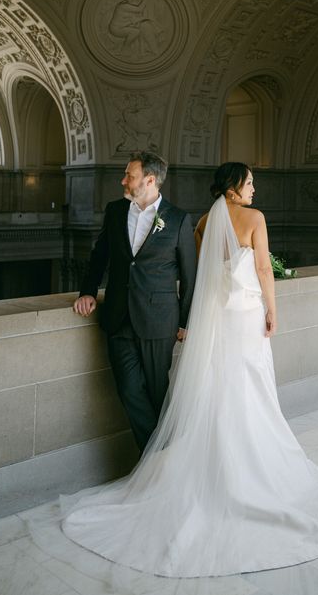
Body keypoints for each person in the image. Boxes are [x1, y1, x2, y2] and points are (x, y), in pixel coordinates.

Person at [62, 162, 318, 578]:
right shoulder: (254, 218)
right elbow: (264, 268)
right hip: (244, 317)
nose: (254, 188)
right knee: (248, 391)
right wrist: (272, 307)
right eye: (250, 182)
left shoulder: (200, 221)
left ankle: (179, 466)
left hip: (215, 320)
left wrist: (190, 316)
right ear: (235, 186)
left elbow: (198, 274)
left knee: (214, 391)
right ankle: (235, 470)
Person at [73, 150, 197, 453]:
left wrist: (185, 321)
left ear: (150, 180)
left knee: (157, 393)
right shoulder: (115, 211)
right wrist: (87, 291)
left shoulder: (178, 220)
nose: (123, 180)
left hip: (159, 321)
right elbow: (100, 256)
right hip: (117, 317)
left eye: (130, 175)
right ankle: (157, 461)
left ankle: (162, 461)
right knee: (129, 391)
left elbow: (191, 276)